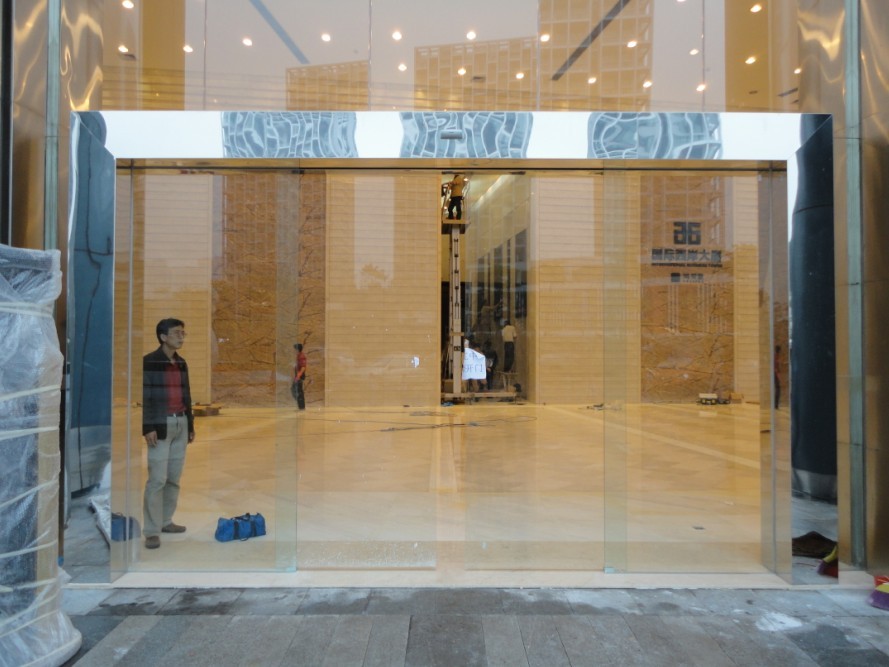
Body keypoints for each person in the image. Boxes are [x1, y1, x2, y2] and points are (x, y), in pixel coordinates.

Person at [142, 318, 195, 550]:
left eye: (183, 333)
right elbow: (146, 396)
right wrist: (148, 426)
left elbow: (187, 395)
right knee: (157, 480)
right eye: (176, 333)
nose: (181, 337)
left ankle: (166, 521)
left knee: (173, 478)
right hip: (160, 425)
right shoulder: (150, 362)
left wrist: (190, 425)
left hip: (181, 423)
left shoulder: (181, 363)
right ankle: (151, 531)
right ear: (163, 337)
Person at [292, 343, 307, 410]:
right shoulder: (298, 356)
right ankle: (300, 406)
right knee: (296, 390)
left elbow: (303, 367)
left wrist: (298, 376)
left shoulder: (301, 356)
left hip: (300, 376)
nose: (293, 351)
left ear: (297, 349)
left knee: (298, 390)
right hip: (298, 375)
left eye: (294, 349)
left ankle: (301, 407)